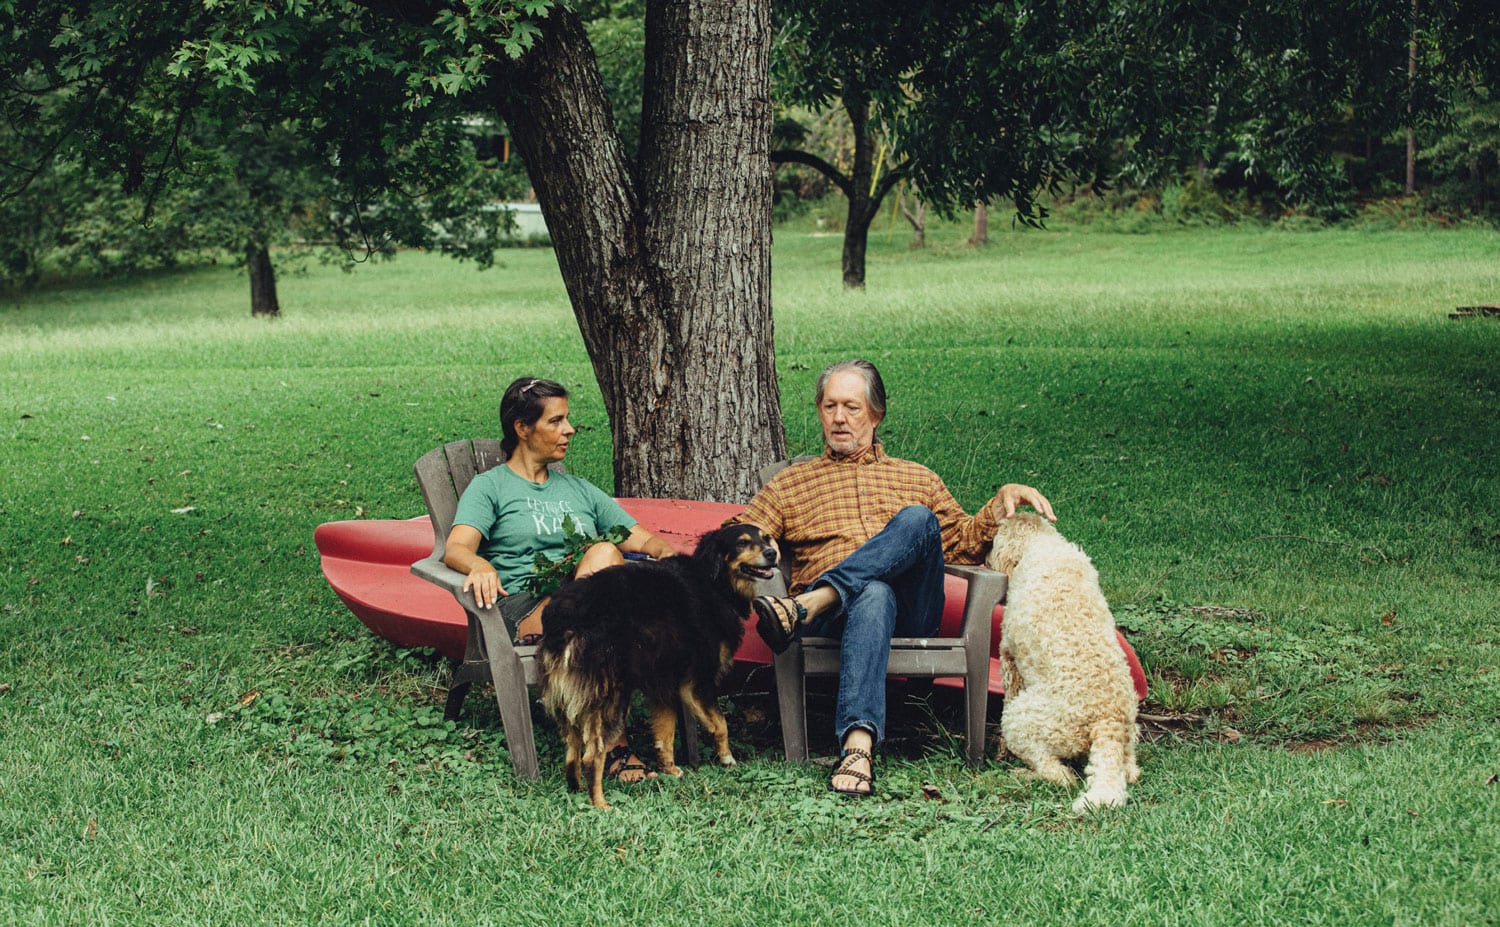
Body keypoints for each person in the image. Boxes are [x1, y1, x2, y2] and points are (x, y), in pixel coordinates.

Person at [734, 359, 1056, 796]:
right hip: (833, 625)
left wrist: (998, 506)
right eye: (830, 406)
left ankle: (814, 599)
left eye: (851, 407)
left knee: (918, 519)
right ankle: (858, 747)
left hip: (910, 613)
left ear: (876, 414)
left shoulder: (916, 478)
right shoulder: (791, 485)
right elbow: (740, 537)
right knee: (873, 592)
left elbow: (961, 544)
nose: (839, 418)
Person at [442, 376, 678, 784]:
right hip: (526, 610)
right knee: (610, 605)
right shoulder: (490, 487)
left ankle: (608, 738)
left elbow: (637, 537)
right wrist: (478, 565)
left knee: (605, 555)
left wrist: (664, 552)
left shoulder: (578, 490)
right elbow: (456, 548)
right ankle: (613, 746)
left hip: (584, 606)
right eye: (556, 421)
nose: (569, 429)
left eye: (567, 419)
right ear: (522, 428)